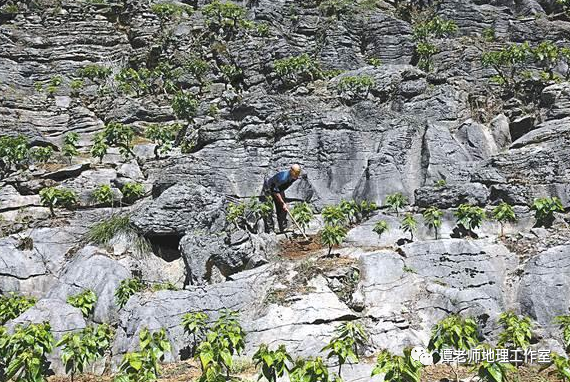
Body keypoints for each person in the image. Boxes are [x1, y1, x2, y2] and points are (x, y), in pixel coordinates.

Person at [261, 164, 302, 233]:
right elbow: (276, 192)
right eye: (296, 174)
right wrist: (283, 203)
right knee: (269, 209)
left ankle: (283, 228)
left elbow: (280, 189)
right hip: (269, 189)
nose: (297, 176)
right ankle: (270, 230)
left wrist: (283, 203)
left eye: (298, 174)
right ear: (291, 171)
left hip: (278, 190)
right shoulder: (283, 178)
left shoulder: (294, 177)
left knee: (283, 209)